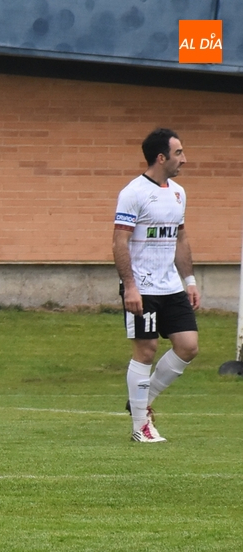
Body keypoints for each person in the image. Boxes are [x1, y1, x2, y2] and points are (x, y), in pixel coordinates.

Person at [112, 128, 199, 443]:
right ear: (161, 157)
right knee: (146, 350)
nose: (184, 159)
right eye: (178, 153)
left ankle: (143, 400)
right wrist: (130, 287)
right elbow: (119, 242)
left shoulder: (178, 193)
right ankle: (141, 426)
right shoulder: (133, 193)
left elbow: (180, 238)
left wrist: (189, 281)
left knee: (188, 346)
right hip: (143, 288)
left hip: (171, 287)